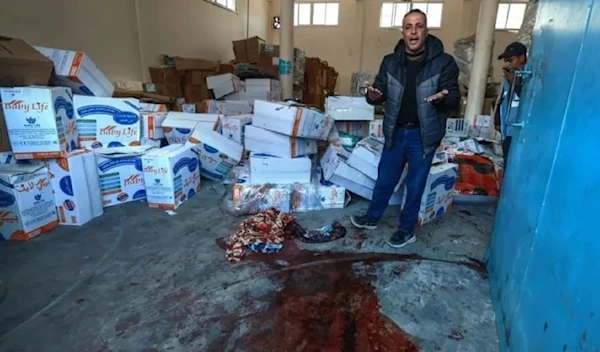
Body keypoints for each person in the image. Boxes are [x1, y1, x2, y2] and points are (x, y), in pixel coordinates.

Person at [351, 9, 460, 248]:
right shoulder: (390, 62)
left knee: (415, 185)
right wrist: (373, 95)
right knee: (385, 179)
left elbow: (453, 97)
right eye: (408, 26)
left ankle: (406, 229)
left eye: (418, 26)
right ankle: (372, 217)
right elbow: (378, 93)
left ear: (426, 30)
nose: (413, 31)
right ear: (403, 32)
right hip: (396, 132)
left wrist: (443, 97)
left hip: (424, 135)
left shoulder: (444, 62)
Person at [494, 42, 527, 167]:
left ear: (522, 58)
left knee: (515, 166)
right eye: (505, 61)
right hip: (506, 130)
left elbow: (526, 98)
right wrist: (497, 120)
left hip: (518, 132)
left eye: (510, 60)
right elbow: (502, 98)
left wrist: (514, 83)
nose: (507, 65)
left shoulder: (528, 77)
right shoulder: (508, 77)